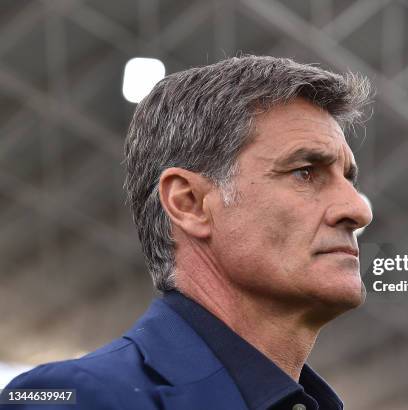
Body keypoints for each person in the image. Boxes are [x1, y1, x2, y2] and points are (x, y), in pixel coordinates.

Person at [2, 55, 373, 410]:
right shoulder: (74, 399)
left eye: (348, 179)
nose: (358, 210)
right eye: (305, 172)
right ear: (189, 202)